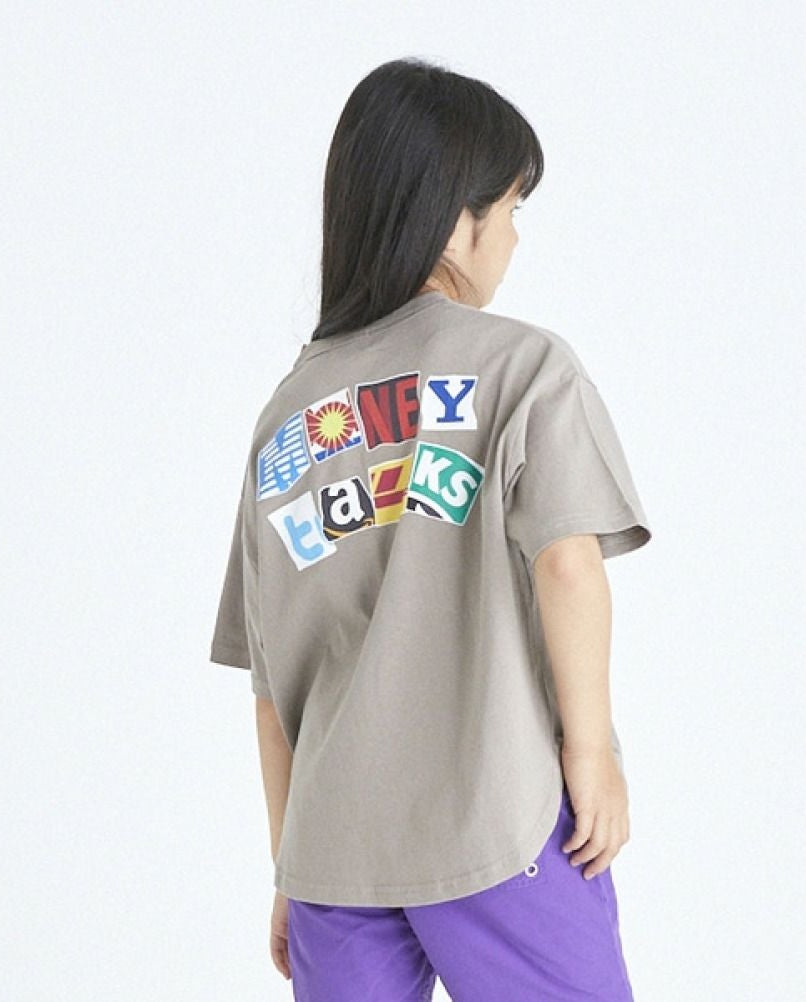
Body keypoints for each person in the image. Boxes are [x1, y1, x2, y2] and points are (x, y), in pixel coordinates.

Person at [209, 57, 653, 1002]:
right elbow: (568, 566)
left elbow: (271, 695)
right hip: (493, 823)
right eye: (513, 209)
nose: (514, 238)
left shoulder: (285, 418)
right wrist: (592, 756)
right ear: (459, 219)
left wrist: (292, 866)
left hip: (334, 854)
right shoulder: (520, 367)